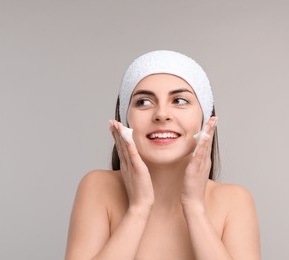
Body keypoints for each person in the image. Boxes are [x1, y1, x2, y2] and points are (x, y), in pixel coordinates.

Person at [65, 50, 260, 259]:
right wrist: (138, 210)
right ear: (125, 120)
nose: (161, 114)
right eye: (144, 102)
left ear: (205, 119)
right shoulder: (98, 187)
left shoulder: (234, 201)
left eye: (180, 100)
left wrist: (195, 209)